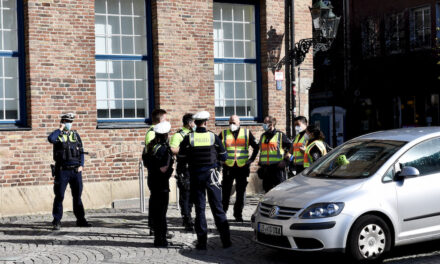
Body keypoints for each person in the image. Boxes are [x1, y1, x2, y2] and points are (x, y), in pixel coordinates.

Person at [177, 111, 231, 250]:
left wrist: (182, 173)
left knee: (199, 209)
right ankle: (226, 241)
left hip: (196, 176)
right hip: (212, 176)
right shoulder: (213, 137)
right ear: (206, 122)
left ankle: (202, 243)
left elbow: (181, 159)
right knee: (218, 208)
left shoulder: (189, 138)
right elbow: (224, 157)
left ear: (195, 123)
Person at [47, 113, 91, 231]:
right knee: (59, 196)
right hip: (62, 171)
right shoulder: (57, 135)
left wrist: (81, 165)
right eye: (67, 121)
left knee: (77, 196)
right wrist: (60, 128)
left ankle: (81, 220)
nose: (69, 124)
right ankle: (56, 221)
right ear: (62, 122)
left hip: (76, 171)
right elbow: (50, 139)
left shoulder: (75, 135)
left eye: (71, 122)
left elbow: (81, 151)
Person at [219, 115, 259, 222]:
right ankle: (223, 213)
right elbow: (216, 147)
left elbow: (256, 146)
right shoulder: (223, 133)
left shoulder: (246, 133)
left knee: (241, 192)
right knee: (226, 192)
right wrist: (220, 159)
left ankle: (238, 215)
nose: (232, 125)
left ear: (239, 123)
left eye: (234, 123)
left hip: (242, 167)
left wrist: (251, 160)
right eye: (230, 122)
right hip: (228, 166)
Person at [144, 121, 174, 247]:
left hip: (152, 180)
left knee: (156, 211)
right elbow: (164, 169)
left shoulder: (149, 147)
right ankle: (161, 239)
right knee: (161, 213)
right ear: (165, 135)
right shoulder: (164, 149)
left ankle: (158, 238)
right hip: (161, 184)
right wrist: (171, 168)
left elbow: (146, 163)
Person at [169, 113, 195, 231]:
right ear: (190, 123)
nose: (195, 124)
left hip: (194, 168)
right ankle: (186, 218)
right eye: (194, 122)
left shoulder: (195, 134)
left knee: (192, 195)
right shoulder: (178, 135)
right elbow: (172, 149)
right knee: (185, 194)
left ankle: (189, 215)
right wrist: (186, 149)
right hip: (184, 168)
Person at [143, 108, 167, 235]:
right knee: (157, 202)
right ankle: (155, 227)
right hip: (156, 173)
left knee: (155, 200)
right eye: (165, 119)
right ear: (160, 120)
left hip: (155, 173)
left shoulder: (153, 131)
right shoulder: (153, 133)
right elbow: (153, 154)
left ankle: (155, 227)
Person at [258, 116, 292, 193]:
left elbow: (292, 147)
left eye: (265, 123)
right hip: (266, 169)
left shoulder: (280, 135)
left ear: (271, 124)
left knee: (279, 192)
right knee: (267, 192)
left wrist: (286, 161)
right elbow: (262, 151)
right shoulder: (263, 136)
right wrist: (260, 164)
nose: (263, 124)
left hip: (277, 169)